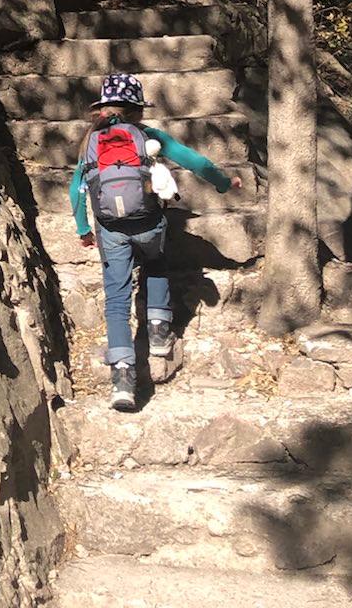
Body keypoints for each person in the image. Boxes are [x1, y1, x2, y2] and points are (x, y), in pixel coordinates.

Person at [69, 71, 243, 411]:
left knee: (117, 301)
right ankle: (160, 332)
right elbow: (195, 161)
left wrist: (82, 229)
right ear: (137, 109)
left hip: (110, 228)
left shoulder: (90, 140)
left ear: (103, 107)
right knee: (156, 263)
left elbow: (78, 188)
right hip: (148, 223)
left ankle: (122, 379)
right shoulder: (147, 135)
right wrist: (223, 183)